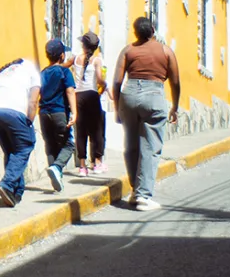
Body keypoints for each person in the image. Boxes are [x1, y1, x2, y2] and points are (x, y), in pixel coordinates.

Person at [112, 17, 181, 212]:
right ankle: (143, 196)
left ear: (135, 33)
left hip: (129, 94)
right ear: (153, 30)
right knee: (150, 146)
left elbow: (117, 82)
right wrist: (175, 106)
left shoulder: (128, 50)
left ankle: (136, 191)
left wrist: (118, 107)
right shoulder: (166, 51)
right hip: (154, 95)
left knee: (131, 145)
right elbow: (175, 82)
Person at [0, 57, 42, 207]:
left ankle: (15, 192)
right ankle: (7, 184)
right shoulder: (33, 72)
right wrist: (29, 121)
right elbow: (33, 102)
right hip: (14, 110)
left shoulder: (6, 72)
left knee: (12, 151)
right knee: (25, 146)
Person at [39, 39, 78, 193]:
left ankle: (56, 176)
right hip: (59, 112)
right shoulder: (64, 72)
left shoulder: (43, 73)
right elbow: (70, 91)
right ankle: (57, 167)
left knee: (50, 145)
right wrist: (74, 112)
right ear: (62, 55)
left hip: (43, 113)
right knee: (69, 144)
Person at [73, 31, 111, 177]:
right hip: (92, 95)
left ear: (83, 45)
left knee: (81, 130)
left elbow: (65, 66)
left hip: (78, 96)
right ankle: (97, 162)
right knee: (96, 130)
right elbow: (100, 79)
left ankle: (82, 166)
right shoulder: (97, 60)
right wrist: (105, 85)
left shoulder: (76, 59)